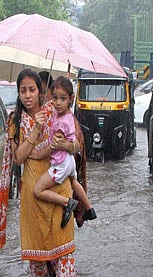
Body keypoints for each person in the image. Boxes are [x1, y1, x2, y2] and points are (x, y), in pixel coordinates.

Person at [0, 68, 81, 277]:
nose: (29, 95)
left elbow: (77, 146)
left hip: (59, 190)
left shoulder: (59, 110)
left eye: (33, 90)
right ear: (18, 93)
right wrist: (39, 128)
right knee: (37, 263)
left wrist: (64, 145)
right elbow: (18, 158)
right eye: (23, 90)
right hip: (33, 193)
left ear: (41, 91)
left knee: (65, 258)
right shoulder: (14, 120)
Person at [33, 76, 97, 227]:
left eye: (63, 99)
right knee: (74, 182)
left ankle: (67, 202)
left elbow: (54, 144)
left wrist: (35, 153)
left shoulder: (62, 122)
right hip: (69, 161)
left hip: (60, 163)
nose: (58, 103)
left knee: (38, 190)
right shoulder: (64, 115)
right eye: (54, 98)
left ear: (71, 99)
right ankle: (89, 208)